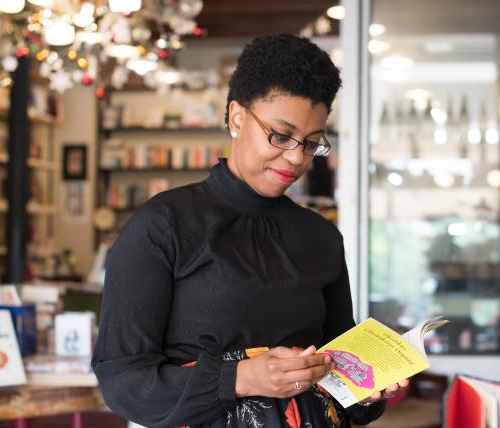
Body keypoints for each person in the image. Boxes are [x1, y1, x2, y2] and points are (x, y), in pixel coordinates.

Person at [92, 34, 405, 428]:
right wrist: (240, 378)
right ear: (237, 118)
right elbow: (122, 381)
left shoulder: (320, 237)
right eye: (280, 135)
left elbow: (337, 378)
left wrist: (368, 387)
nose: (295, 157)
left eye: (311, 143)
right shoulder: (163, 225)